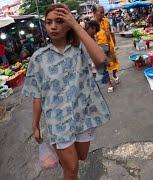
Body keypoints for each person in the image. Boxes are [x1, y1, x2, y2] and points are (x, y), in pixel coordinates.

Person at [22, 3, 110, 180]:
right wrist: (35, 125)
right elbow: (37, 94)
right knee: (72, 168)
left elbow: (101, 59)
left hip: (83, 116)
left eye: (60, 21)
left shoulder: (80, 50)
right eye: (49, 22)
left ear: (68, 24)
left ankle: (65, 162)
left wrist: (76, 25)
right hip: (58, 122)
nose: (53, 26)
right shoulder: (38, 58)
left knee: (81, 157)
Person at [93, 5, 120, 93]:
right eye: (100, 12)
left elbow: (111, 33)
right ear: (94, 13)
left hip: (110, 46)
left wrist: (114, 43)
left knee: (114, 63)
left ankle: (115, 75)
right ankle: (110, 84)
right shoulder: (92, 24)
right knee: (104, 67)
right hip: (100, 49)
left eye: (103, 12)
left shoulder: (106, 21)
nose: (102, 14)